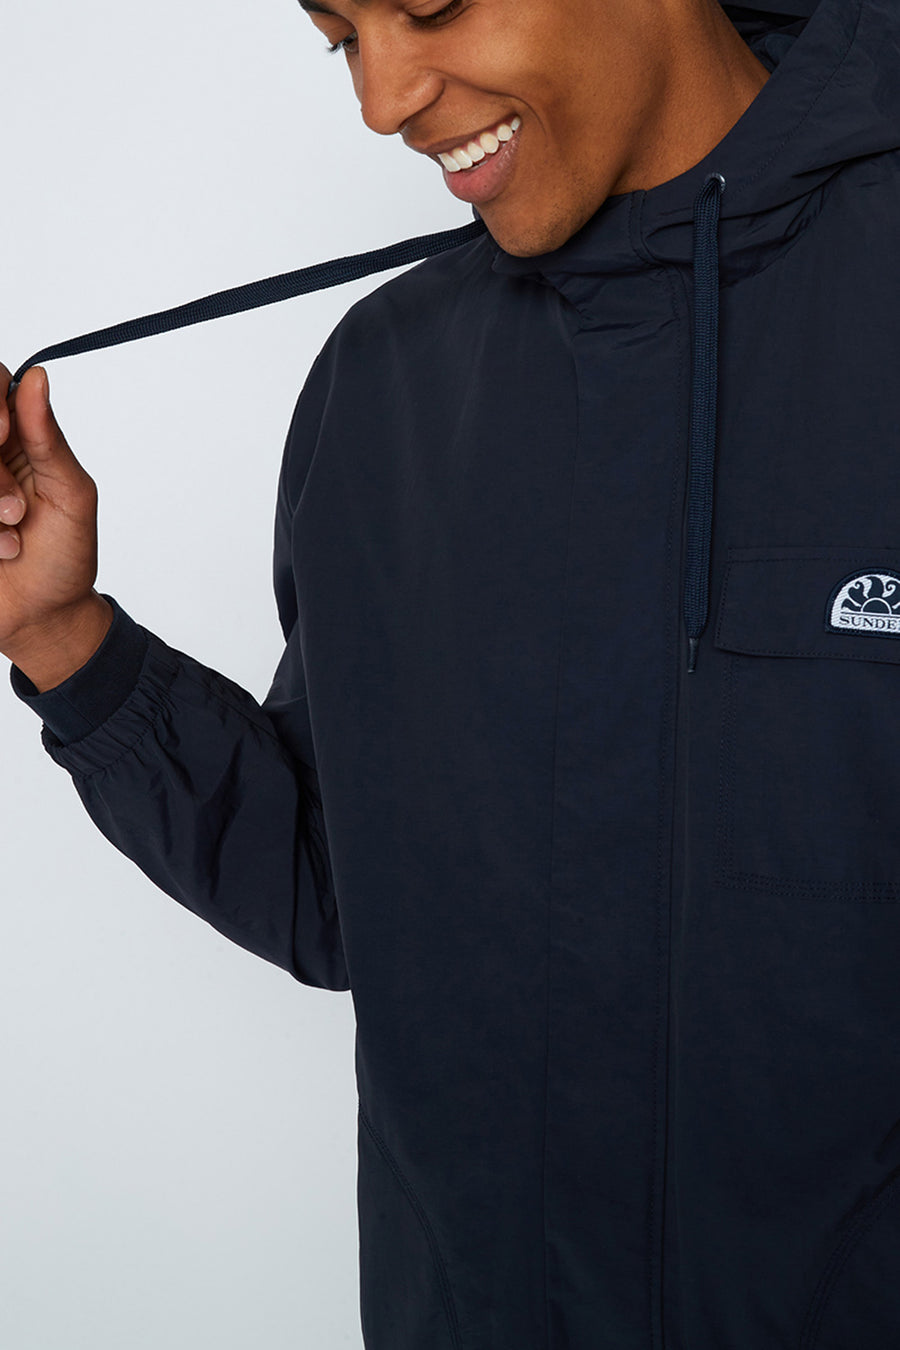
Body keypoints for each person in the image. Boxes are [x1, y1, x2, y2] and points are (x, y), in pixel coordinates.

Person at [2, 0, 899, 1344]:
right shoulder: (385, 388)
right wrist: (64, 638)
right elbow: (351, 899)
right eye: (340, 37)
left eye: (429, 7)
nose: (382, 102)